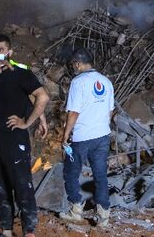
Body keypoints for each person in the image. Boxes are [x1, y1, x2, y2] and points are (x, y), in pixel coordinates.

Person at [0, 34, 50, 237]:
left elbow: (42, 96)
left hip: (15, 140)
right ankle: (5, 230)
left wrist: (28, 122)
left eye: (1, 49)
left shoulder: (20, 72)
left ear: (10, 52)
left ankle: (29, 232)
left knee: (22, 186)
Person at [59, 47, 114, 227]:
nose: (73, 67)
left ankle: (76, 211)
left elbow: (74, 111)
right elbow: (110, 111)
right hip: (103, 136)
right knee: (100, 176)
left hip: (82, 138)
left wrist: (66, 134)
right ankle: (104, 218)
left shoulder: (78, 82)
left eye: (74, 64)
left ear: (78, 64)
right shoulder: (106, 81)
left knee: (71, 173)